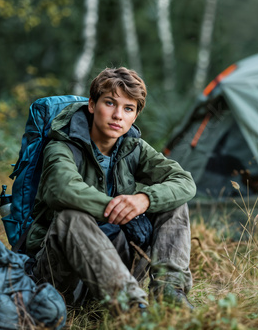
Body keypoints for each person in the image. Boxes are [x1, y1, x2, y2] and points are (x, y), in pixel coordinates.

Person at [24, 67, 196, 311]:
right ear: (92, 105)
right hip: (60, 278)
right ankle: (132, 308)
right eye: (110, 103)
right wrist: (118, 208)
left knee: (172, 201)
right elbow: (62, 189)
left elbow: (184, 180)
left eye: (128, 108)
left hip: (115, 272)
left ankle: (170, 293)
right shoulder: (62, 145)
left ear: (135, 116)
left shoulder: (134, 147)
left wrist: (144, 199)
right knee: (71, 217)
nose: (118, 115)